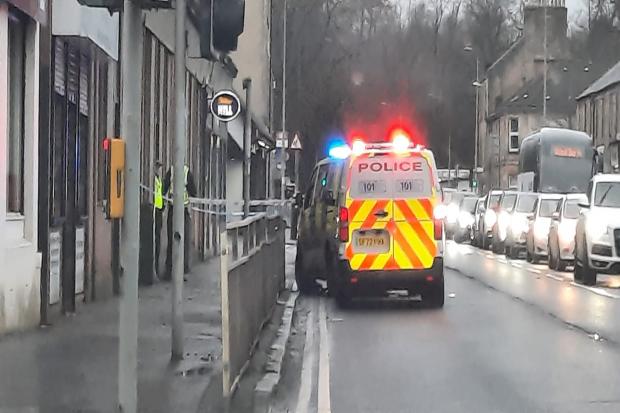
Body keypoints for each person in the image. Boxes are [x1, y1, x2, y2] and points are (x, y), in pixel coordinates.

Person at [163, 164, 197, 279]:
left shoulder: (171, 170)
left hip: (173, 210)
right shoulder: (187, 171)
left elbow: (164, 189)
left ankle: (169, 270)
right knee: (183, 241)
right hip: (183, 210)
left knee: (171, 240)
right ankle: (182, 270)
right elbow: (194, 192)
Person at [153, 161, 164, 280]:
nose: (159, 170)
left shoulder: (158, 179)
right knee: (155, 241)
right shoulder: (154, 179)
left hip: (159, 212)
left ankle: (156, 267)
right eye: (157, 168)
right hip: (154, 212)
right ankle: (154, 268)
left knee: (158, 240)